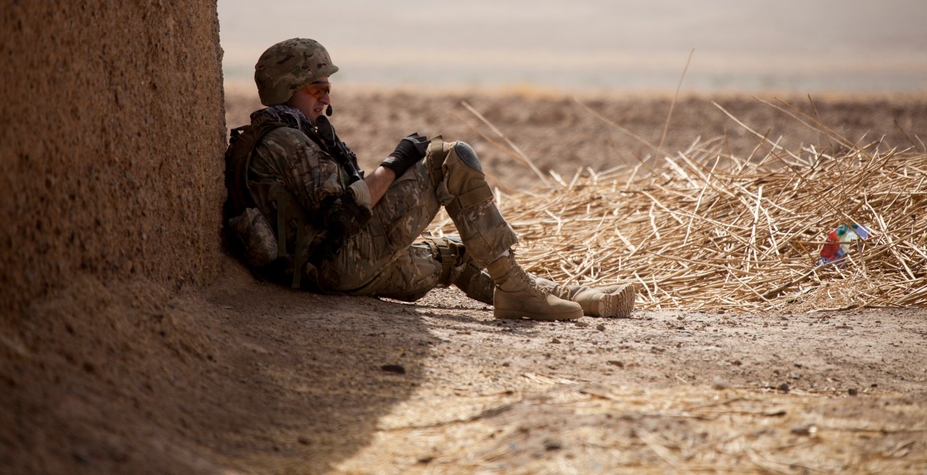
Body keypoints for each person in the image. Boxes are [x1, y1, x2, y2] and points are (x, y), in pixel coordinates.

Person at [224, 38, 635, 321]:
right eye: (317, 88)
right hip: (337, 266)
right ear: (288, 87)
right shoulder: (282, 141)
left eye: (328, 87)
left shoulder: (292, 133)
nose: (326, 97)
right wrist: (397, 163)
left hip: (331, 268)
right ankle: (515, 290)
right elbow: (341, 215)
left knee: (454, 255)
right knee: (449, 158)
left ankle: (574, 298)